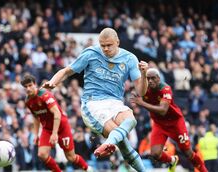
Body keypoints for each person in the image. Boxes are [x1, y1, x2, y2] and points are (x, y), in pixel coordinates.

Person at [42, 27, 148, 171]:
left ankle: (108, 144)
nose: (105, 48)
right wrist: (53, 81)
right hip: (93, 103)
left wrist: (144, 74)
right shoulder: (91, 53)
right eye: (102, 45)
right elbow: (67, 71)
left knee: (131, 120)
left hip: (115, 102)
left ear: (118, 42)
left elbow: (141, 91)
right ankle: (110, 143)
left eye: (109, 45)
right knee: (121, 139)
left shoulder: (129, 58)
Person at [130, 68, 208, 172]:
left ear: (158, 78)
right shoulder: (144, 89)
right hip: (159, 124)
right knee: (155, 154)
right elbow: (137, 88)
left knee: (188, 153)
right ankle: (172, 160)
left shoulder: (165, 88)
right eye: (148, 79)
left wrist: (142, 103)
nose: (150, 81)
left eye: (153, 78)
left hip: (175, 123)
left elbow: (163, 110)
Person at [21, 74, 93, 172]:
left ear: (35, 84)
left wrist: (55, 133)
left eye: (30, 85)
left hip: (62, 127)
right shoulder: (28, 101)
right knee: (42, 154)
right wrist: (36, 135)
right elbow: (35, 117)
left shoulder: (45, 95)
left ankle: (87, 168)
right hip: (47, 129)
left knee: (71, 157)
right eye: (25, 87)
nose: (28, 89)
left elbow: (57, 113)